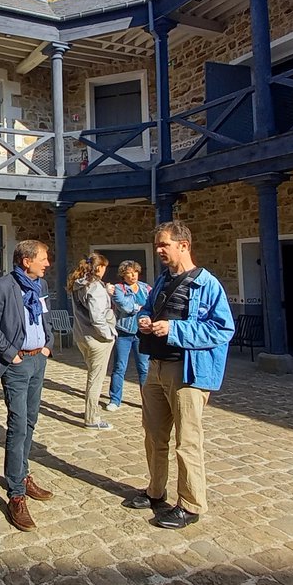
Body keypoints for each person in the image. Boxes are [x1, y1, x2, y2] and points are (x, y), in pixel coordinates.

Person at [129, 221, 234, 529]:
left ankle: (190, 504)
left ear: (183, 245)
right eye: (157, 245)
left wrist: (175, 329)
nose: (159, 250)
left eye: (164, 244)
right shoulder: (161, 281)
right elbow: (143, 309)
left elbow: (223, 329)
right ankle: (155, 491)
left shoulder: (208, 285)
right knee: (154, 435)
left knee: (187, 441)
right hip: (156, 367)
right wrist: (145, 318)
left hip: (188, 371)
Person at [0, 239, 55, 532]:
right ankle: (16, 494)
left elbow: (45, 317)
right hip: (17, 364)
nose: (47, 263)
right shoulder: (4, 286)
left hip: (39, 361)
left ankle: (23, 475)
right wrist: (12, 355)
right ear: (26, 261)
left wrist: (48, 344)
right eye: (43, 259)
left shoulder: (41, 287)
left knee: (32, 421)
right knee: (18, 424)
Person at [68, 252, 116, 430]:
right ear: (99, 267)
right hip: (97, 338)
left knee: (92, 375)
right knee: (96, 378)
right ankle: (92, 418)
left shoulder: (78, 285)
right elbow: (97, 317)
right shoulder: (94, 287)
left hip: (82, 336)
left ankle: (90, 409)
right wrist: (109, 334)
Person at [105, 260, 152, 413]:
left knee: (144, 368)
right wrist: (140, 307)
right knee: (119, 367)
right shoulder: (119, 288)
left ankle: (147, 401)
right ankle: (115, 399)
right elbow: (124, 306)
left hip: (142, 333)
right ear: (123, 275)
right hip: (124, 332)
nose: (133, 276)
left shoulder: (145, 288)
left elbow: (153, 305)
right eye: (129, 273)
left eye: (135, 272)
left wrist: (141, 309)